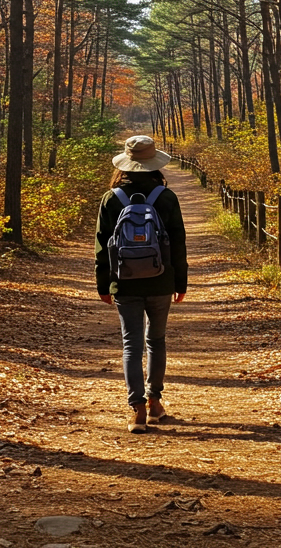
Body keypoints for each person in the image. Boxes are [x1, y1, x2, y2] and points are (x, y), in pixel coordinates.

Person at [95, 135, 188, 433]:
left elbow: (101, 246)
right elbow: (178, 244)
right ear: (154, 164)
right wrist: (180, 282)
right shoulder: (166, 197)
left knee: (131, 344)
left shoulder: (111, 198)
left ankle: (136, 409)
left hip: (125, 282)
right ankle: (154, 404)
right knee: (156, 341)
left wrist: (103, 285)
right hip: (161, 280)